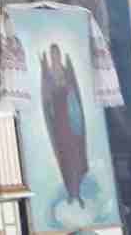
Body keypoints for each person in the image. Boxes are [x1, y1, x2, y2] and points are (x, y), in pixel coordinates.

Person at [41, 44, 88, 208]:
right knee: (65, 157)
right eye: (52, 54)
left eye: (57, 53)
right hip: (60, 125)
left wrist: (67, 86)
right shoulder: (49, 74)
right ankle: (71, 192)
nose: (55, 56)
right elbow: (47, 99)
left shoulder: (65, 71)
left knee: (76, 156)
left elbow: (74, 93)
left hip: (71, 122)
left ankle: (78, 192)